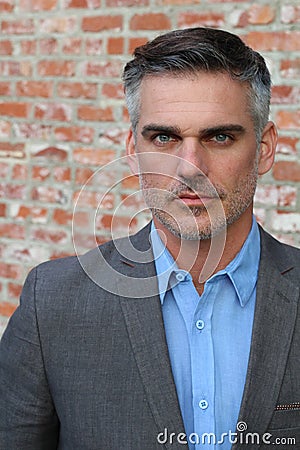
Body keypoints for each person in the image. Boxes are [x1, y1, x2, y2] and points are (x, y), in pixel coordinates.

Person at [0, 27, 299, 450]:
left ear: (265, 148)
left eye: (219, 137)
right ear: (132, 149)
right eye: (164, 138)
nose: (190, 167)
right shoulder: (50, 305)